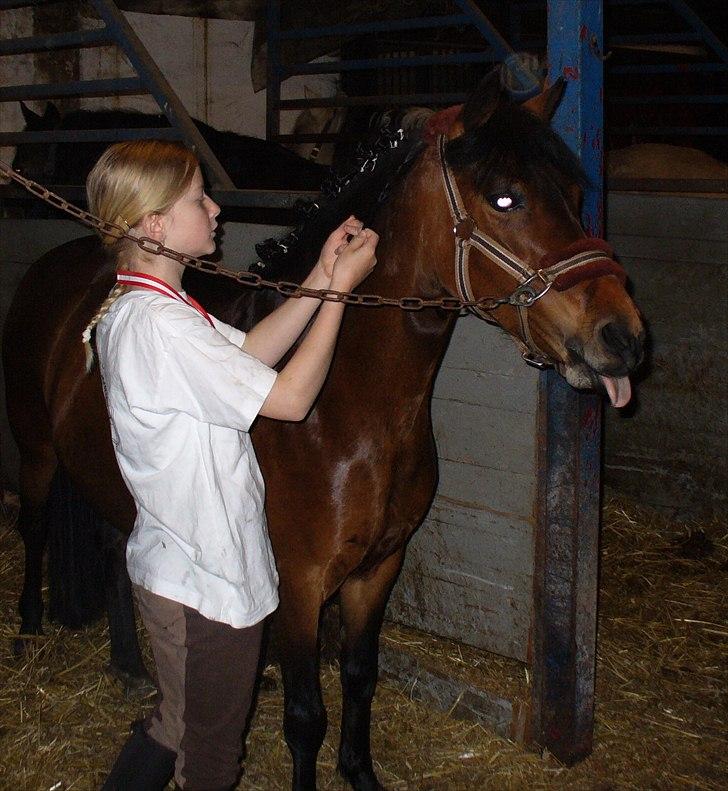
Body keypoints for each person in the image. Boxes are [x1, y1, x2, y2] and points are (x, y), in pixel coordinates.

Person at [82, 139, 378, 791]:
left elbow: (256, 356)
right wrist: (341, 297)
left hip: (181, 566)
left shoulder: (156, 309)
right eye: (198, 198)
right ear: (155, 223)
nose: (216, 209)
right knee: (212, 756)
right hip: (204, 585)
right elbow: (292, 399)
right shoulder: (159, 325)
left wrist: (324, 275)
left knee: (176, 722)